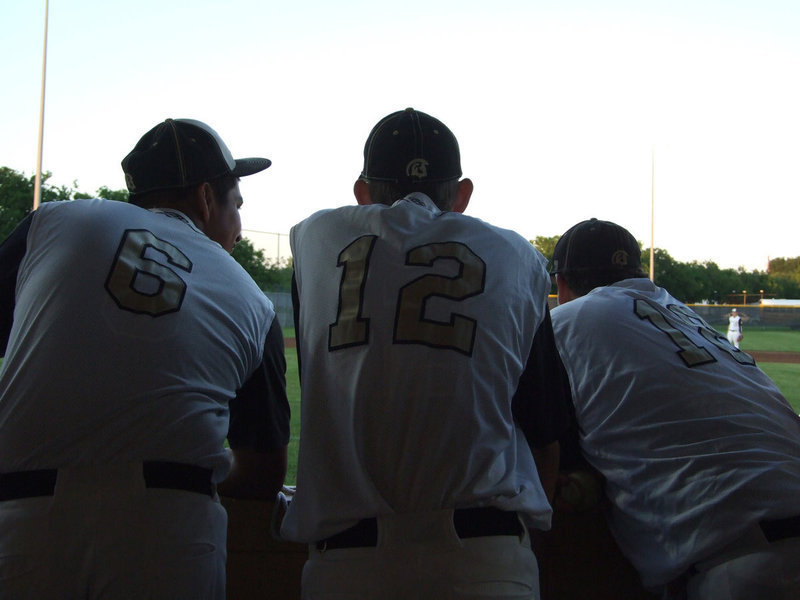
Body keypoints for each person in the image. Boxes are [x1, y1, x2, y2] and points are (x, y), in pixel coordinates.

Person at [279, 108, 573, 599]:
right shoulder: (515, 254)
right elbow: (545, 435)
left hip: (348, 566)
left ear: (362, 192)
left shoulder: (315, 238)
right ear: (462, 195)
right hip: (484, 559)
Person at [0, 118, 291, 599]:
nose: (238, 226)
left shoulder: (56, 220)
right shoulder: (253, 299)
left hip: (21, 524)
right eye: (236, 205)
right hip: (167, 532)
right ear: (205, 198)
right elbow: (263, 473)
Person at [549, 218, 800, 600]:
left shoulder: (564, 321)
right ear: (637, 275)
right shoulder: (694, 322)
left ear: (561, 284)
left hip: (744, 567)